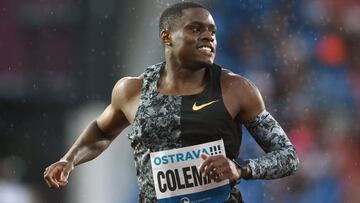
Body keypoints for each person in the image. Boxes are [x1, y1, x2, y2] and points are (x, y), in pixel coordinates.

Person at [43, 2, 299, 202]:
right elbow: (101, 131)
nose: (209, 37)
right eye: (196, 29)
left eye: (212, 31)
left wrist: (240, 168)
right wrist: (70, 159)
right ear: (167, 37)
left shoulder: (236, 89)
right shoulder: (132, 90)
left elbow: (288, 156)